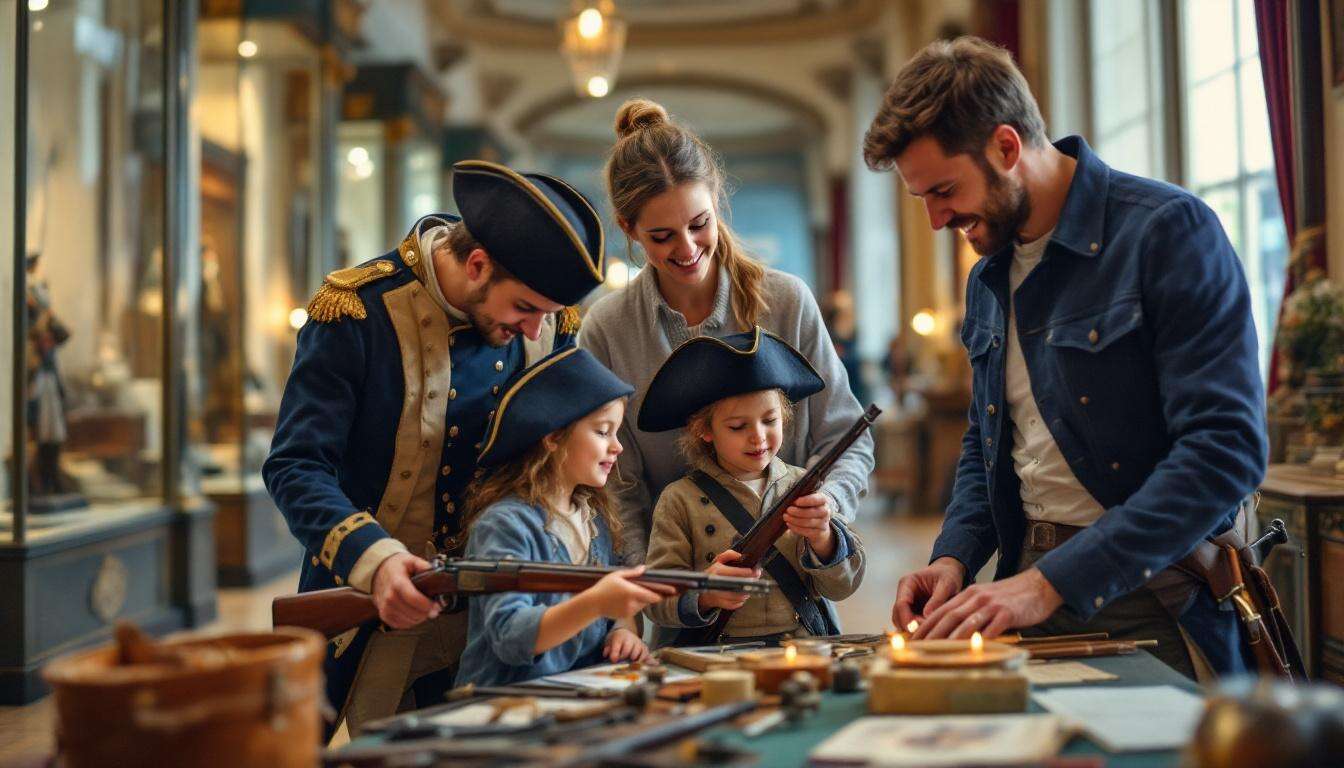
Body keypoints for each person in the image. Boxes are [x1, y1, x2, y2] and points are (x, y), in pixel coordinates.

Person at [864, 36, 1266, 680]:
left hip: (1154, 594)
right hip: (1021, 592)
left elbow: (1227, 452)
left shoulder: (1168, 231)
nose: (937, 220)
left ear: (1005, 146)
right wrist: (954, 558)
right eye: (923, 201)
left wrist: (1052, 582)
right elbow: (990, 437)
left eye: (944, 190)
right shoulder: (987, 277)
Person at [263, 160, 606, 736]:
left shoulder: (549, 324)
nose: (532, 331)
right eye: (523, 308)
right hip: (372, 603)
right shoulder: (356, 311)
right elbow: (296, 466)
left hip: (495, 618)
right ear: (477, 264)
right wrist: (377, 561)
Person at [581, 98, 875, 569]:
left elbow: (845, 434)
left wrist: (829, 508)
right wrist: (651, 587)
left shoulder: (786, 301)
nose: (687, 249)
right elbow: (617, 486)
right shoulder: (607, 328)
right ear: (627, 229)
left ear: (716, 201)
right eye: (661, 237)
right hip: (680, 601)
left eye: (700, 224)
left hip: (796, 582)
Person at [456, 347, 669, 686]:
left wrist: (623, 629)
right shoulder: (504, 524)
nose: (618, 447)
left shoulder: (593, 519)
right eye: (603, 431)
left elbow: (616, 611)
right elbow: (511, 639)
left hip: (572, 703)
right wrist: (597, 603)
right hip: (501, 709)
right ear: (553, 436)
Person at [640, 329, 866, 641]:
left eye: (770, 421)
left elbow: (843, 585)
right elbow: (655, 596)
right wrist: (705, 593)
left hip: (800, 648)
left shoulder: (805, 487)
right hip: (715, 658)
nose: (758, 436)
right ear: (704, 430)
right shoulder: (679, 499)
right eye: (738, 426)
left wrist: (823, 537)